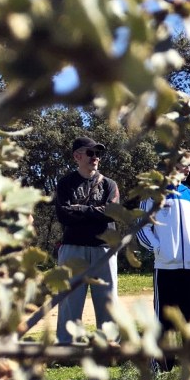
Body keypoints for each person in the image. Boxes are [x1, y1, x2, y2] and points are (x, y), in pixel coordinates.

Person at [137, 158, 190, 371]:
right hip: (166, 268)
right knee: (164, 319)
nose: (186, 169)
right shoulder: (153, 194)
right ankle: (161, 366)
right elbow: (142, 227)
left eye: (187, 166)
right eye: (181, 164)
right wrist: (159, 249)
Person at [54, 136, 121, 343]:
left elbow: (112, 212)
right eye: (90, 153)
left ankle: (110, 346)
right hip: (73, 249)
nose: (95, 158)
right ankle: (66, 347)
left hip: (104, 249)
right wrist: (96, 213)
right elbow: (64, 215)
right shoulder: (65, 183)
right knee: (69, 302)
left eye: (98, 154)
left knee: (108, 301)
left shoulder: (109, 184)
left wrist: (81, 209)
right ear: (77, 156)